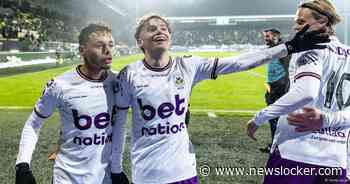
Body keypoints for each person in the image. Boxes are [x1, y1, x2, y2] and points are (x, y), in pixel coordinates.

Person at [110, 13, 329, 184]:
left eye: (164, 28)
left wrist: (288, 47)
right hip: (146, 174)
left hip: (183, 171)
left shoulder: (188, 65)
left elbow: (239, 62)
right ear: (139, 40)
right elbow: (118, 126)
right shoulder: (129, 75)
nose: (160, 31)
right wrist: (116, 169)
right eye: (151, 29)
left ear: (170, 37)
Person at [246, 0, 349, 183]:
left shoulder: (310, 48)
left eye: (301, 22)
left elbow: (306, 92)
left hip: (296, 153)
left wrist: (259, 117)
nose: (295, 26)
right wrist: (328, 119)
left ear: (323, 21)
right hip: (336, 158)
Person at [15, 24, 129, 184]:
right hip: (68, 178)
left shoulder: (119, 81)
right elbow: (33, 123)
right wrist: (22, 165)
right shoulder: (60, 85)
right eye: (99, 45)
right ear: (82, 50)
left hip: (106, 177)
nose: (108, 50)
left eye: (111, 45)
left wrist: (117, 170)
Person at [260, 28, 290, 153]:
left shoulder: (282, 50)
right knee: (274, 117)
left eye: (268, 36)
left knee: (276, 117)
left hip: (280, 88)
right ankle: (275, 144)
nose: (265, 38)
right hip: (273, 87)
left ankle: (277, 146)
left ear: (276, 36)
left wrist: (281, 87)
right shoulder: (273, 50)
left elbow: (289, 69)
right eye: (265, 36)